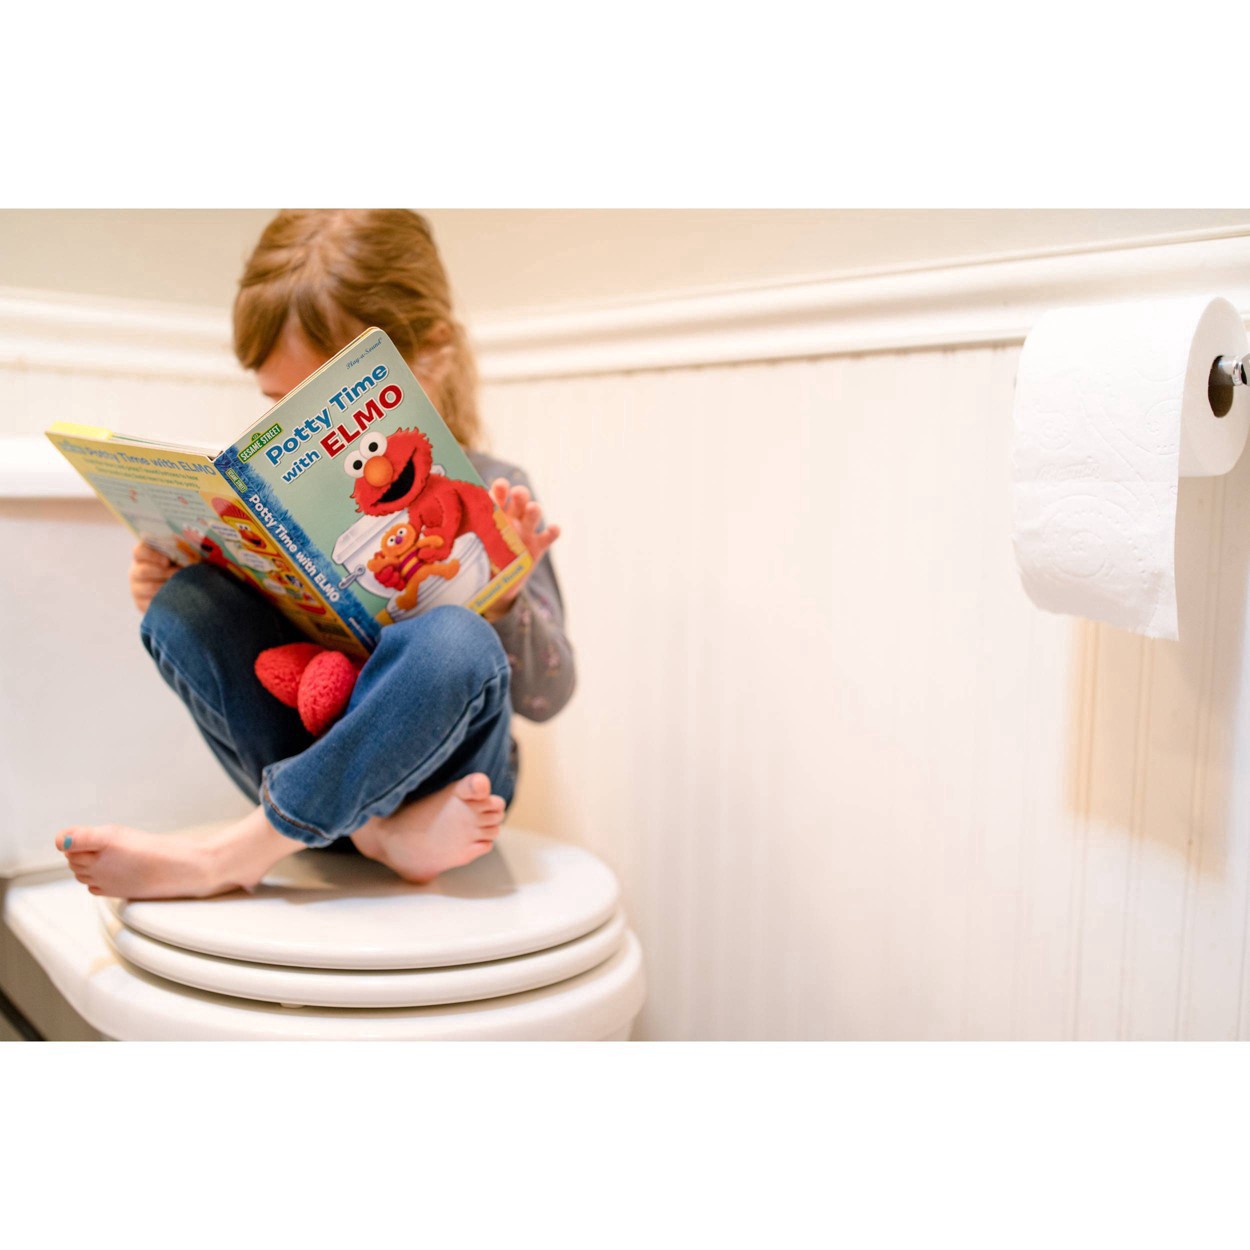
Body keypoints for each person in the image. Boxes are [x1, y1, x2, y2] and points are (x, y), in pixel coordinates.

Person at [54, 210, 574, 899]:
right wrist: (170, 583)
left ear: (429, 354)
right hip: (332, 778)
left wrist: (505, 599)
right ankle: (377, 833)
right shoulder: (274, 493)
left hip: (455, 780)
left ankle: (234, 854)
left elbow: (548, 697)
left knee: (452, 639)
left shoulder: (493, 489)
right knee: (187, 609)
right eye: (279, 403)